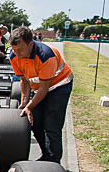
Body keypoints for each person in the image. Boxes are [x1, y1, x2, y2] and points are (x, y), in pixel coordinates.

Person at [9, 26, 73, 163]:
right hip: (40, 88)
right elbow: (24, 81)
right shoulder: (14, 57)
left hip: (58, 87)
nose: (17, 53)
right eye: (14, 49)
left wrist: (30, 106)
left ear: (30, 44)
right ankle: (46, 155)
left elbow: (44, 88)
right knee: (35, 122)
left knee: (52, 125)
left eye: (20, 49)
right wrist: (24, 104)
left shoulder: (46, 56)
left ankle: (53, 162)